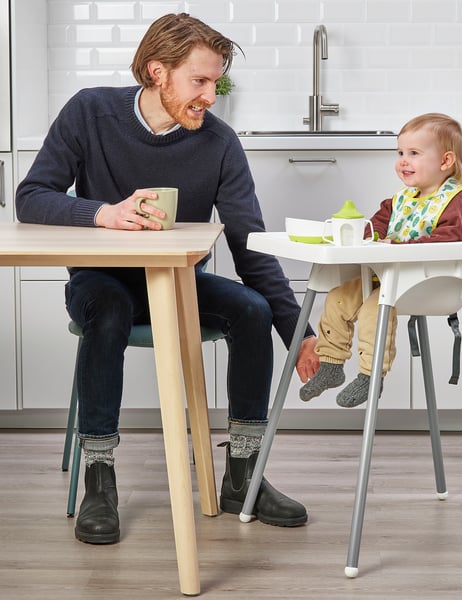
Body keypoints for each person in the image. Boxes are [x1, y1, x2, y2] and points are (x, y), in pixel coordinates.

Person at [15, 13, 320, 544]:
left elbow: (250, 244)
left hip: (177, 286)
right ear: (158, 72)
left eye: (216, 82)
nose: (210, 96)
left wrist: (301, 334)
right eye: (199, 81)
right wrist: (101, 213)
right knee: (108, 309)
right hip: (98, 283)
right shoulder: (90, 112)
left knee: (252, 309)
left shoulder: (219, 143)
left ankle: (242, 476)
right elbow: (31, 196)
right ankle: (100, 479)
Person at [299, 113, 462, 409]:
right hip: (385, 276)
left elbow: (452, 240)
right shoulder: (401, 200)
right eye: (400, 153)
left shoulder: (455, 203)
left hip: (426, 282)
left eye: (414, 153)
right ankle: (331, 364)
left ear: (445, 162)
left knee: (373, 309)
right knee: (337, 298)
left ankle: (371, 376)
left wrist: (398, 246)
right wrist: (366, 238)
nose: (403, 161)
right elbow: (376, 226)